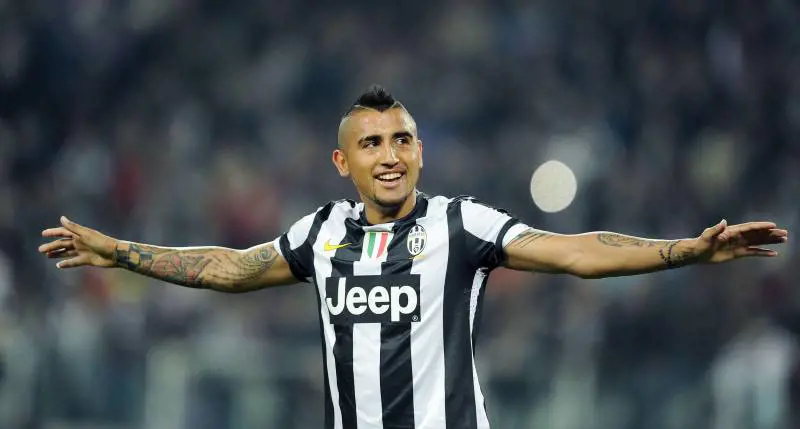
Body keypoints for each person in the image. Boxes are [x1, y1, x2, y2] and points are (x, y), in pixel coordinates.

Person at [38, 86, 789, 429]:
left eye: (402, 140)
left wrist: (686, 250)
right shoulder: (321, 233)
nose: (390, 155)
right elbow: (231, 268)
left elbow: (574, 253)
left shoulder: (461, 224)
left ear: (421, 151)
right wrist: (120, 253)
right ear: (344, 162)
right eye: (372, 143)